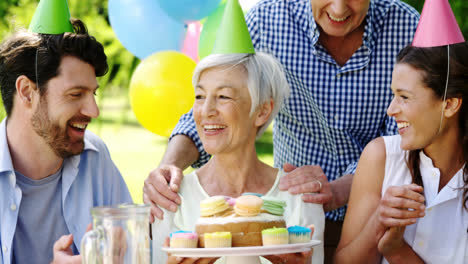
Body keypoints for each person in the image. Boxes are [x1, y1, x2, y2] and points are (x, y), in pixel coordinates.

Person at [144, 0, 420, 261]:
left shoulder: (406, 27)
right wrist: (167, 171)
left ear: (264, 110)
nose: (338, 8)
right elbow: (215, 98)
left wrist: (337, 192)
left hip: (369, 224)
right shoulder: (267, 22)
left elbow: (402, 140)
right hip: (296, 210)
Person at [153, 51, 325, 264]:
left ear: (262, 111)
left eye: (223, 96)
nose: (206, 111)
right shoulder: (169, 198)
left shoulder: (301, 198)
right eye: (199, 96)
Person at [0, 18, 132, 264]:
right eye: (76, 94)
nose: (94, 110)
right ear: (27, 92)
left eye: (93, 94)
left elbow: (134, 250)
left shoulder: (95, 157)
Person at [334, 41, 468, 263]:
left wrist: (396, 251)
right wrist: (379, 220)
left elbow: (394, 251)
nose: (391, 109)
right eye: (393, 95)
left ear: (450, 104)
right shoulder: (381, 156)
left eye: (404, 97)